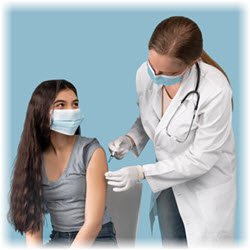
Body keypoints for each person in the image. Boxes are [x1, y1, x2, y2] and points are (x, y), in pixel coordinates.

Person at [105, 16, 236, 247]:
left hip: (203, 186)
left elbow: (201, 159)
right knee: (172, 241)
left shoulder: (215, 90)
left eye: (167, 73)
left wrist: (141, 172)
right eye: (152, 65)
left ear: (192, 62)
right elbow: (156, 120)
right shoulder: (144, 74)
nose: (155, 75)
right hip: (165, 181)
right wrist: (130, 138)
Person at [8, 79, 117, 247]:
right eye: (61, 105)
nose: (71, 110)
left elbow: (93, 225)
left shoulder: (92, 151)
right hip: (59, 238)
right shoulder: (33, 158)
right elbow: (32, 225)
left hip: (98, 238)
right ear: (41, 111)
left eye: (75, 104)